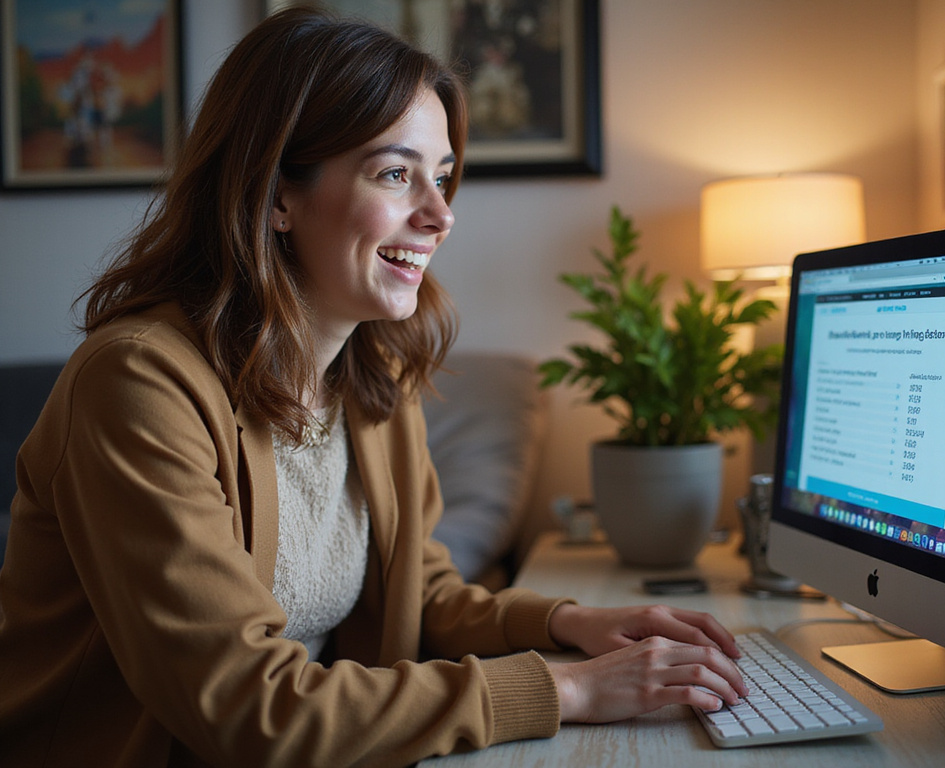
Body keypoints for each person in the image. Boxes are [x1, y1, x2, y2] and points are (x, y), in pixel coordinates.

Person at [0, 8, 747, 767]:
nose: (440, 214)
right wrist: (570, 689)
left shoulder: (370, 371)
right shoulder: (137, 383)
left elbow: (415, 592)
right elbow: (240, 704)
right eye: (396, 174)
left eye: (444, 177)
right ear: (277, 195)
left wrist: (570, 624)